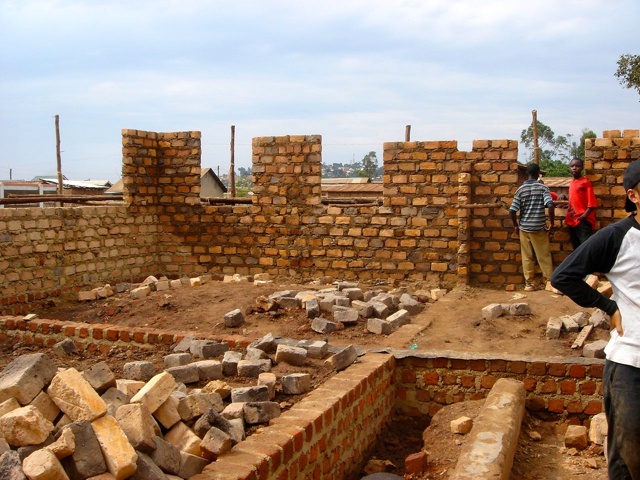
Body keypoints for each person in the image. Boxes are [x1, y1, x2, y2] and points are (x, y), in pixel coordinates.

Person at [551, 159, 640, 479]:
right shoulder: (617, 238)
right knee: (630, 455)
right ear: (634, 195)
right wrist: (609, 306)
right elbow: (563, 276)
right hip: (632, 362)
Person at [509, 163, 555, 291]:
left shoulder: (520, 190)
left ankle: (529, 283)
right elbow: (550, 205)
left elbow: (512, 210)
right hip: (539, 228)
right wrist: (551, 222)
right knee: (543, 255)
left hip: (524, 228)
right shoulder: (543, 188)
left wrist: (515, 225)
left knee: (527, 257)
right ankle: (549, 281)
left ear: (527, 174)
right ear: (538, 173)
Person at [565, 158, 597, 249]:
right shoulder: (572, 183)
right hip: (572, 220)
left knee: (585, 247)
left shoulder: (585, 182)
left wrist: (584, 216)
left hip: (582, 221)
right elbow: (575, 200)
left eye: (577, 166)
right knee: (576, 247)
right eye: (572, 166)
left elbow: (592, 203)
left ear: (582, 168)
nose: (574, 168)